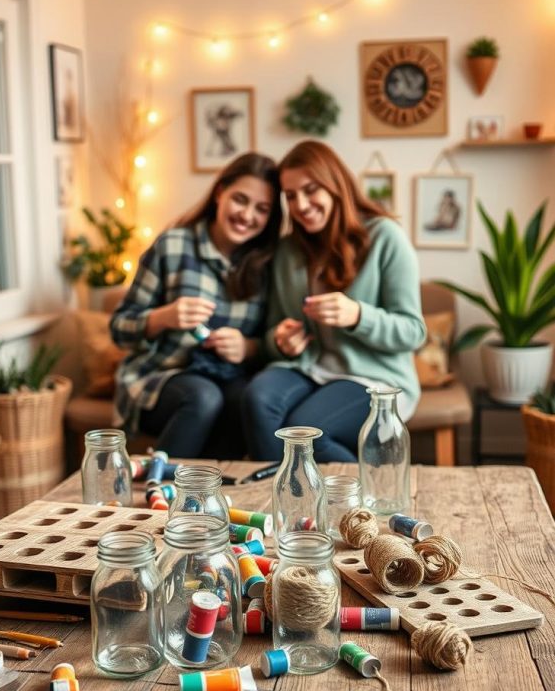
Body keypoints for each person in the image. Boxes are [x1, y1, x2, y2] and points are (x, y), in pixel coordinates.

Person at [241, 140, 427, 463]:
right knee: (256, 400)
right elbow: (273, 329)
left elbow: (413, 331)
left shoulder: (385, 238)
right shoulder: (287, 251)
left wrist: (358, 316)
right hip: (307, 368)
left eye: (311, 190)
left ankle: (368, 496)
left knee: (305, 433)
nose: (301, 204)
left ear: (335, 185)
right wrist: (281, 340)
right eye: (290, 196)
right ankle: (282, 504)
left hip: (372, 377)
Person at [110, 152, 282, 458]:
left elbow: (272, 342)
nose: (247, 215)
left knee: (246, 401)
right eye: (240, 199)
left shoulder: (268, 263)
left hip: (229, 378)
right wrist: (163, 317)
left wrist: (248, 347)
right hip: (160, 381)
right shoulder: (173, 245)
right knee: (204, 397)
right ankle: (159, 490)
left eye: (262, 209)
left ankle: (210, 495)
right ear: (219, 194)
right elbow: (119, 329)